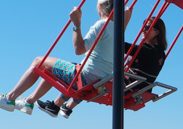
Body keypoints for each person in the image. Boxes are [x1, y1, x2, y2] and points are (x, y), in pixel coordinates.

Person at [0, 0, 131, 114]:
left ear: (100, 6)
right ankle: (29, 102)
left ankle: (9, 99)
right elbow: (128, 11)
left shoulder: (101, 25)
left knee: (38, 61)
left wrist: (76, 24)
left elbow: (79, 49)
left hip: (85, 78)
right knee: (50, 68)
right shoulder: (119, 29)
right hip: (100, 81)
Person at [37, 16, 167, 118]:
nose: (143, 29)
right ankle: (66, 107)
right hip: (135, 89)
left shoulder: (148, 50)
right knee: (93, 78)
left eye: (147, 27)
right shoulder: (160, 53)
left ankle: (56, 105)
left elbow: (120, 45)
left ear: (156, 32)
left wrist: (105, 36)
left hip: (127, 87)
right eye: (143, 25)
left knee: (84, 76)